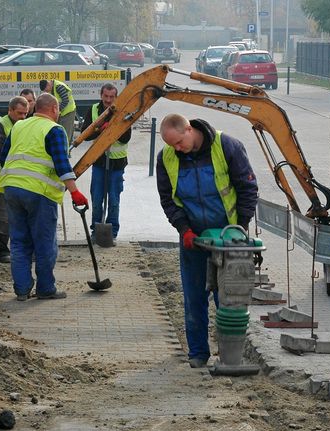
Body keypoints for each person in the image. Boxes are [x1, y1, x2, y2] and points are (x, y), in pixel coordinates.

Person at [155, 114, 258, 368]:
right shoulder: (166, 158)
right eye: (172, 146)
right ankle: (198, 353)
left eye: (179, 143)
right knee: (194, 296)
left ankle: (230, 355)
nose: (177, 149)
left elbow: (247, 189)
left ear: (189, 129)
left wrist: (241, 227)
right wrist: (184, 229)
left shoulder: (226, 146)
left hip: (228, 238)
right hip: (194, 238)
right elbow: (168, 200)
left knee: (229, 298)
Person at [0, 93, 89, 301]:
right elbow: (61, 163)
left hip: (11, 189)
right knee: (44, 241)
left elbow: (3, 157)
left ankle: (21, 289)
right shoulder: (54, 130)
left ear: (34, 108)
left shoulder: (19, 126)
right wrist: (75, 192)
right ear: (55, 110)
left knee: (19, 242)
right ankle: (45, 288)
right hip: (38, 193)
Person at [79, 83, 131, 244]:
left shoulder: (123, 111)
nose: (108, 100)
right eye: (106, 96)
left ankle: (112, 232)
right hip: (100, 163)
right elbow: (85, 134)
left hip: (117, 164)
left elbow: (125, 138)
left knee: (114, 200)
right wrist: (100, 128)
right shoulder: (94, 110)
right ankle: (96, 230)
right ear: (101, 95)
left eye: (111, 97)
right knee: (96, 198)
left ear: (116, 97)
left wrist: (113, 130)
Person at [0, 96, 29, 263]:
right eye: (19, 113)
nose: (22, 117)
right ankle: (2, 251)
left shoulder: (26, 125)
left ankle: (21, 249)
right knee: (3, 216)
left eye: (25, 114)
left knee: (21, 215)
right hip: (2, 177)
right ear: (10, 110)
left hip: (21, 177)